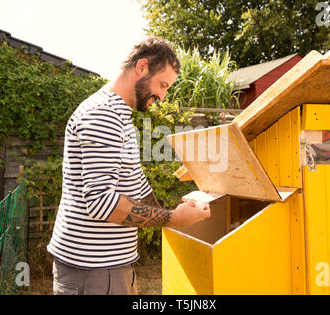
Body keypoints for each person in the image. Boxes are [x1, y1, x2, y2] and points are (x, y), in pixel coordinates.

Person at [47, 37, 211, 295]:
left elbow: (133, 181)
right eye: (162, 85)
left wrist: (173, 211)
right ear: (142, 67)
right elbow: (101, 202)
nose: (162, 96)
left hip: (107, 268)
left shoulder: (119, 115)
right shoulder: (103, 114)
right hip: (94, 271)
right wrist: (173, 218)